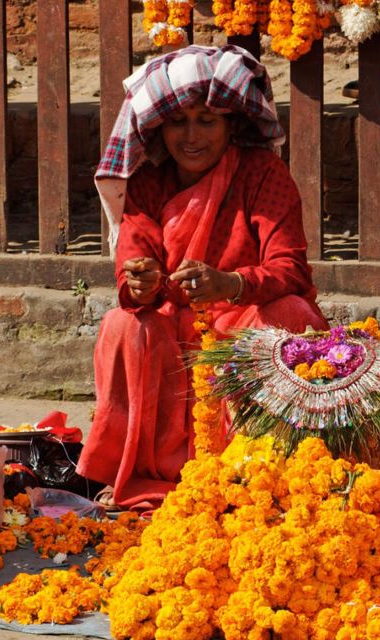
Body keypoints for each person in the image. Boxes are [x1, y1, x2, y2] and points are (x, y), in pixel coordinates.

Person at [80, 45, 329, 511]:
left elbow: (289, 268)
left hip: (241, 326)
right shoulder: (149, 181)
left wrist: (230, 284)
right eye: (179, 122)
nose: (191, 137)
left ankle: (264, 466)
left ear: (231, 125)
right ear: (160, 128)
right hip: (177, 332)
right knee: (123, 324)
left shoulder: (262, 173)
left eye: (207, 121)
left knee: (290, 315)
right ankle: (143, 471)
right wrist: (142, 282)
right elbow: (133, 265)